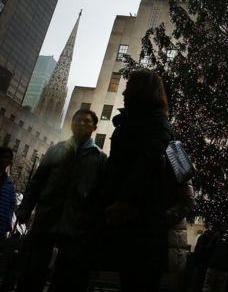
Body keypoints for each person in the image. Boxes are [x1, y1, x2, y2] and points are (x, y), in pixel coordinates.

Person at [97, 70, 194, 291]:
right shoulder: (138, 122)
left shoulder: (154, 125)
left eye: (129, 87)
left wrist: (125, 201)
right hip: (135, 221)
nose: (124, 91)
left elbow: (146, 166)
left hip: (143, 225)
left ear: (140, 91)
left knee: (138, 281)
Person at [14, 109, 107, 292]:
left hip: (76, 225)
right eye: (77, 120)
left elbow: (100, 195)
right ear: (71, 124)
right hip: (46, 219)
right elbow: (37, 182)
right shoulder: (56, 149)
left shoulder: (100, 158)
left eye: (86, 121)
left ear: (94, 127)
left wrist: (92, 223)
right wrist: (25, 208)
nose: (81, 124)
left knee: (66, 277)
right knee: (33, 270)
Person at [0, 147, 16, 240]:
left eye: (9, 158)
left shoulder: (10, 185)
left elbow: (11, 206)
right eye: (4, 156)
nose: (6, 160)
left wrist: (8, 223)